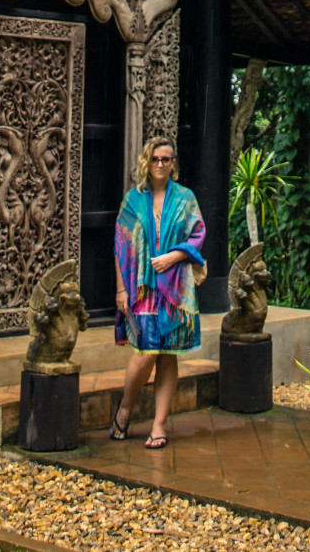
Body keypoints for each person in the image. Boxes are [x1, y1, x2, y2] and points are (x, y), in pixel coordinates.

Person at [110, 136, 206, 449]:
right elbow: (120, 243)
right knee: (144, 354)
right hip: (141, 288)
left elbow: (197, 235)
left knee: (168, 357)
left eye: (166, 159)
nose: (161, 164)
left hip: (176, 289)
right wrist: (121, 289)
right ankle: (125, 406)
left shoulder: (185, 198)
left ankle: (159, 425)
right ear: (146, 162)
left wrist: (174, 256)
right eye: (155, 159)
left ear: (173, 163)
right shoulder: (133, 199)